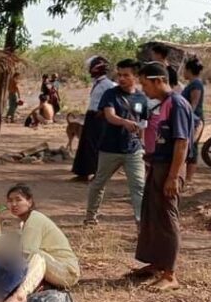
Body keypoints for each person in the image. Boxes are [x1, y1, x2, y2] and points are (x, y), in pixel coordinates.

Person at [133, 62, 193, 290]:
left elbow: (182, 143)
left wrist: (173, 176)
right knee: (153, 215)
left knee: (167, 218)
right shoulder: (164, 103)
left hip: (169, 168)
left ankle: (170, 274)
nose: (144, 89)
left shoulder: (177, 104)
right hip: (158, 165)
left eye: (145, 84)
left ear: (159, 81)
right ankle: (157, 263)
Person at [85, 59, 148, 226]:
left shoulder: (142, 98)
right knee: (98, 183)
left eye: (126, 75)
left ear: (136, 76)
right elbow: (110, 115)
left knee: (139, 187)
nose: (121, 78)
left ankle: (141, 224)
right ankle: (90, 218)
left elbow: (143, 123)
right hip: (109, 148)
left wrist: (142, 144)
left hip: (133, 150)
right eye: (119, 75)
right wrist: (124, 122)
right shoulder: (110, 94)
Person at [5, 183, 80, 294]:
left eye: (18, 200)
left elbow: (26, 254)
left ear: (29, 202)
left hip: (67, 273)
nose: (14, 204)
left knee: (33, 255)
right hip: (54, 267)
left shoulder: (34, 220)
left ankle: (21, 294)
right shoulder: (25, 222)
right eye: (10, 201)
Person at [71, 56, 116, 181]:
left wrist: (103, 112)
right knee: (85, 144)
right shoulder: (97, 83)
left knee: (95, 145)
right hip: (91, 116)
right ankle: (83, 172)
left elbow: (112, 100)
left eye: (91, 68)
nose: (90, 71)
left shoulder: (108, 85)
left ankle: (96, 173)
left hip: (99, 117)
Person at [181, 58, 205, 185]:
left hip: (194, 120)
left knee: (192, 148)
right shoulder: (191, 84)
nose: (183, 72)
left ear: (189, 70)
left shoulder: (196, 84)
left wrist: (188, 118)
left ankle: (189, 179)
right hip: (188, 119)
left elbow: (194, 104)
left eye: (185, 69)